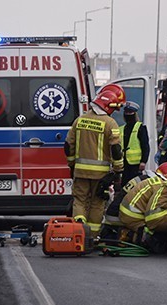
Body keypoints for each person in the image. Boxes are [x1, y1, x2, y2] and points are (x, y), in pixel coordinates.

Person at [65, 84, 126, 237]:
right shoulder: (110, 123)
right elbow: (116, 150)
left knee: (80, 201)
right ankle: (91, 237)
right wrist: (118, 170)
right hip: (101, 175)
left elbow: (68, 145)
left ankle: (78, 232)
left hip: (80, 172)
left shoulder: (80, 120)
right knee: (97, 203)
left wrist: (72, 164)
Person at [99, 161, 167, 240]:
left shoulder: (144, 178)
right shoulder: (157, 184)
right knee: (153, 236)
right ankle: (127, 235)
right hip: (120, 218)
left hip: (114, 215)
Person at [120, 101, 150, 185]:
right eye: (126, 112)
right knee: (124, 185)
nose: (128, 114)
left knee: (135, 185)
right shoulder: (122, 128)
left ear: (134, 114)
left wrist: (143, 161)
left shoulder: (140, 127)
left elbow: (145, 146)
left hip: (136, 164)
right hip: (124, 163)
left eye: (130, 112)